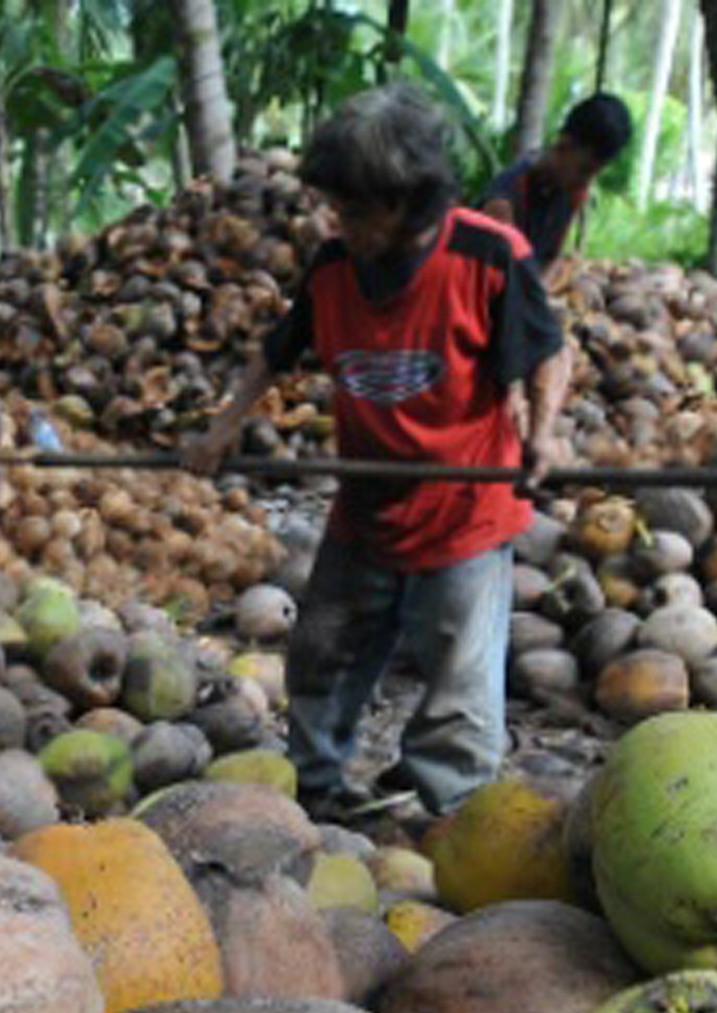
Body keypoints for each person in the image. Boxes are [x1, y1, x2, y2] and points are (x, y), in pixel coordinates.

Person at [182, 84, 570, 827]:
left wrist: (542, 432)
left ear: (404, 203)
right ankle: (318, 789)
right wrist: (221, 429)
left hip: (467, 513)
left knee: (459, 683)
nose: (340, 224)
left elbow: (547, 354)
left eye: (354, 211)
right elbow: (275, 354)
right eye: (336, 208)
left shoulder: (486, 258)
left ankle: (454, 822)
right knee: (320, 653)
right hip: (365, 510)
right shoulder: (332, 269)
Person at [478, 93, 633, 275]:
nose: (586, 182)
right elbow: (502, 277)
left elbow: (550, 259)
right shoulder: (504, 200)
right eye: (584, 170)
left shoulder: (573, 192)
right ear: (564, 146)